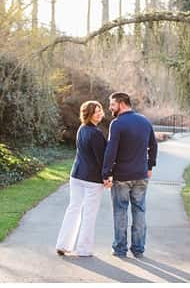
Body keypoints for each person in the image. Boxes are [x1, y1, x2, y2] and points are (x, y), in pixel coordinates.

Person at [101, 91, 158, 261]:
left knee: (120, 212)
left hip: (122, 177)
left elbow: (111, 150)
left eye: (112, 104)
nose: (110, 108)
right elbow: (153, 146)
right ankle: (138, 249)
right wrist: (150, 166)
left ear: (121, 103)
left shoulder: (117, 124)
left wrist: (106, 173)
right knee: (139, 211)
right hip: (141, 175)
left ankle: (120, 249)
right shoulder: (145, 121)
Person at [55, 99, 107, 259]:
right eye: (96, 111)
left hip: (76, 175)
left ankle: (63, 245)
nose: (99, 113)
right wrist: (107, 177)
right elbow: (101, 159)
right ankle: (84, 249)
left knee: (74, 208)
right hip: (91, 179)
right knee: (89, 214)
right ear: (89, 114)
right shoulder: (96, 134)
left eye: (100, 110)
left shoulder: (81, 129)